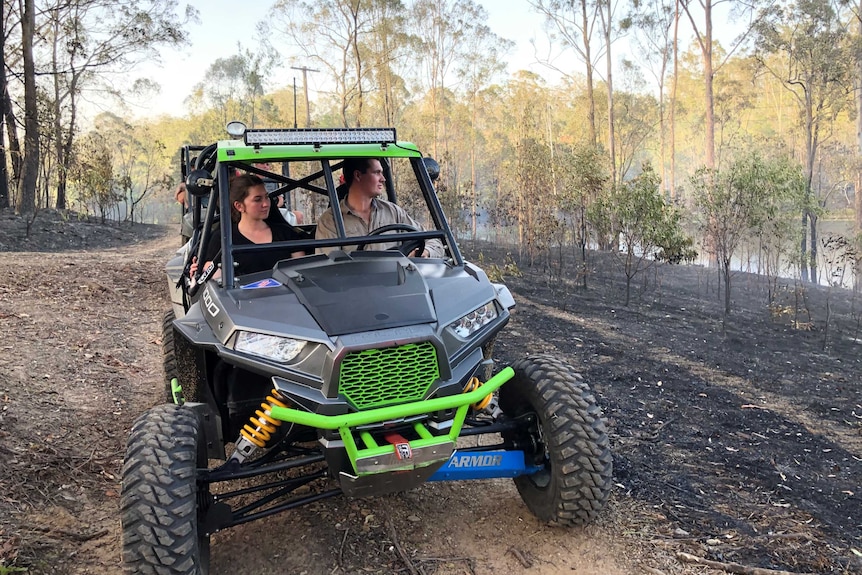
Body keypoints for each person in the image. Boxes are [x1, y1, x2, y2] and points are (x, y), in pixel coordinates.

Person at [315, 158, 445, 257]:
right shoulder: (329, 221)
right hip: (354, 289)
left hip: (398, 286)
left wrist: (425, 252)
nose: (383, 179)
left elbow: (433, 240)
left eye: (382, 173)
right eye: (377, 173)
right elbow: (330, 270)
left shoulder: (393, 212)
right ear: (358, 175)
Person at [190, 174, 305, 279]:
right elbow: (213, 280)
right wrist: (199, 271)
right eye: (258, 199)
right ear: (239, 206)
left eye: (266, 197)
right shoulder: (222, 239)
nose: (266, 204)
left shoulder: (286, 233)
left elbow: (302, 272)